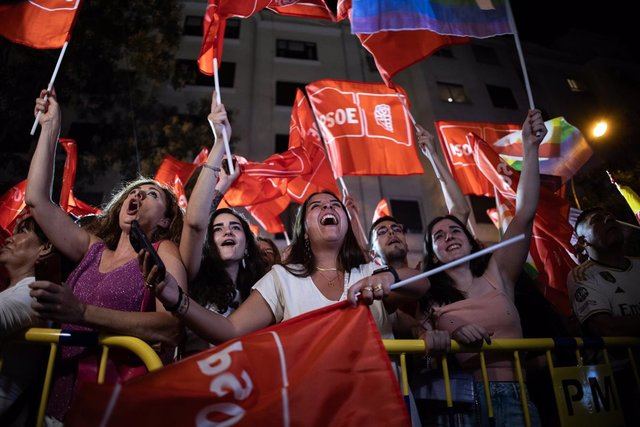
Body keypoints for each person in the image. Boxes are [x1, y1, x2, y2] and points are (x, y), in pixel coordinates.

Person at [25, 89, 187, 422]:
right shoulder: (91, 248)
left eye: (151, 194)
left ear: (167, 219)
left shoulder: (163, 251)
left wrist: (81, 311)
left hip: (115, 409)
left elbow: (170, 327)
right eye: (134, 192)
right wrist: (51, 128)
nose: (138, 196)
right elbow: (38, 201)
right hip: (56, 400)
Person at [140, 190, 429, 346]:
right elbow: (229, 329)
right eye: (317, 206)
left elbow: (424, 284)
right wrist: (176, 299)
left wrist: (387, 277)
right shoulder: (282, 278)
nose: (328, 208)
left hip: (384, 405)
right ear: (303, 230)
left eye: (335, 205)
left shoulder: (369, 271)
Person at [414, 112, 546, 426]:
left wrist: (530, 148)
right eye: (439, 236)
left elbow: (525, 212)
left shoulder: (499, 273)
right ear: (432, 255)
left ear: (471, 241)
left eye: (455, 231)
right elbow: (424, 346)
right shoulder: (430, 300)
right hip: (460, 405)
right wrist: (452, 335)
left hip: (517, 399)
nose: (449, 237)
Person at [178, 92, 270, 356]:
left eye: (235, 227)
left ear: (248, 245)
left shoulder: (262, 289)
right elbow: (195, 223)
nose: (227, 231)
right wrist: (220, 144)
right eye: (217, 229)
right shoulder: (194, 276)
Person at [0, 215, 57, 424]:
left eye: (23, 231)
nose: (9, 239)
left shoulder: (34, 292)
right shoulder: (14, 289)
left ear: (45, 247)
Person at [569, 207, 640, 336]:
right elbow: (606, 328)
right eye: (597, 220)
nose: (609, 219)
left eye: (611, 217)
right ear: (583, 241)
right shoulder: (583, 275)